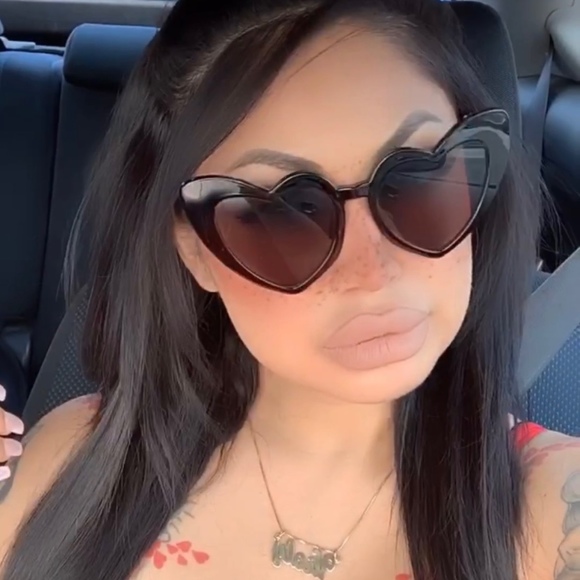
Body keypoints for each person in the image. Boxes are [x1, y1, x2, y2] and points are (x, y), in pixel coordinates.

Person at [0, 0, 578, 578]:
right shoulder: (68, 460)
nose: (375, 272)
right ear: (196, 250)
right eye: (282, 214)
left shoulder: (555, 508)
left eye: (421, 178)